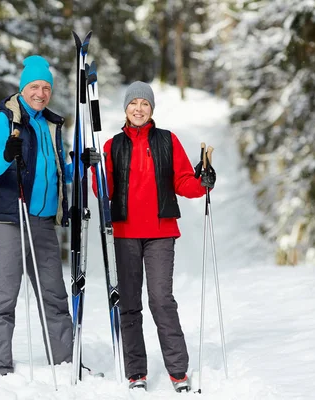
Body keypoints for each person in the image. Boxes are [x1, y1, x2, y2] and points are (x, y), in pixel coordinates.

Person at [92, 81, 216, 391]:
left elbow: (185, 182)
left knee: (161, 300)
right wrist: (95, 170)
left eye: (144, 104)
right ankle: (136, 372)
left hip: (160, 233)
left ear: (151, 109)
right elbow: (101, 191)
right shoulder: (112, 145)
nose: (139, 108)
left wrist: (203, 183)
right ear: (125, 109)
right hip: (124, 234)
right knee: (130, 303)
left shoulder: (167, 141)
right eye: (133, 103)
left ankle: (178, 371)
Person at [0, 55, 74, 375]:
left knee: (54, 296)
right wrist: (7, 154)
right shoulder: (5, 119)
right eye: (34, 86)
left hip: (43, 222)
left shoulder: (50, 123)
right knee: (5, 295)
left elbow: (57, 170)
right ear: (23, 88)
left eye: (46, 87)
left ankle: (63, 361)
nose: (40, 93)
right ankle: (0, 365)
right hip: (10, 218)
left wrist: (80, 166)